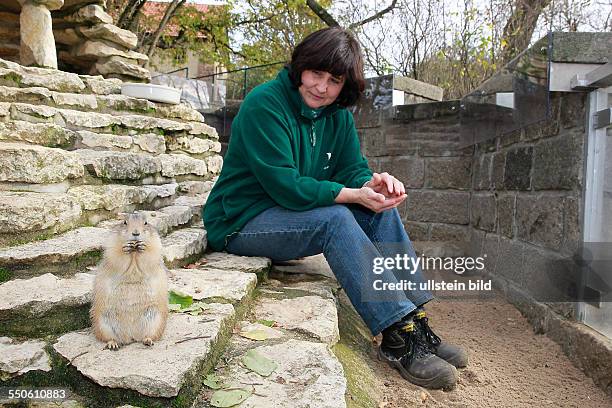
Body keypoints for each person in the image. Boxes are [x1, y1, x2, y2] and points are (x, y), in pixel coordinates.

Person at [203, 26, 467, 390]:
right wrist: (350, 195)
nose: (321, 87)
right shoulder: (264, 104)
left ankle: (413, 320)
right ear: (300, 67)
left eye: (334, 80)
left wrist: (371, 185)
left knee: (379, 209)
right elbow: (287, 186)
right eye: (315, 74)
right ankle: (397, 337)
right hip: (241, 220)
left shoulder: (336, 114)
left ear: (345, 85)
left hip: (291, 217)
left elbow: (351, 169)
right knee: (335, 218)